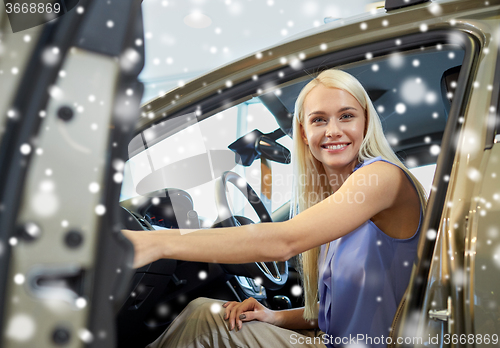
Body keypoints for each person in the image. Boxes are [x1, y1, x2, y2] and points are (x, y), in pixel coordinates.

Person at [123, 69, 427, 348]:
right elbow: (341, 314)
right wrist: (273, 316)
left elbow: (283, 241)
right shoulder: (341, 203)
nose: (333, 130)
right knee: (203, 312)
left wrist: (156, 242)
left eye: (346, 116)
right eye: (319, 119)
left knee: (203, 324)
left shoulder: (381, 177)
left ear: (365, 122)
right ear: (305, 133)